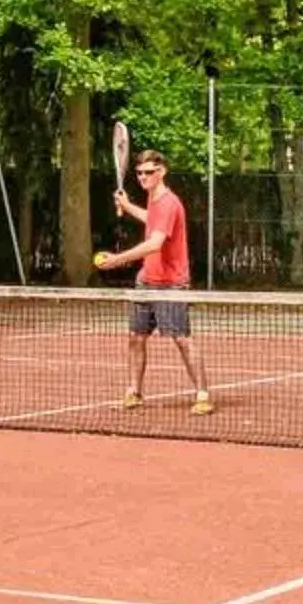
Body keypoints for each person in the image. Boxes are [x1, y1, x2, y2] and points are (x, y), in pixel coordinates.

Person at [93, 147, 212, 416]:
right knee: (136, 337)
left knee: (181, 339)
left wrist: (118, 259)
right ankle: (133, 392)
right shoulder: (154, 201)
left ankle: (203, 394)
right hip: (146, 281)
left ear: (162, 172)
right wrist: (127, 206)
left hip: (171, 284)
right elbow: (153, 221)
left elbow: (155, 243)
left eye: (149, 172)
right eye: (139, 173)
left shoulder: (169, 202)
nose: (142, 177)